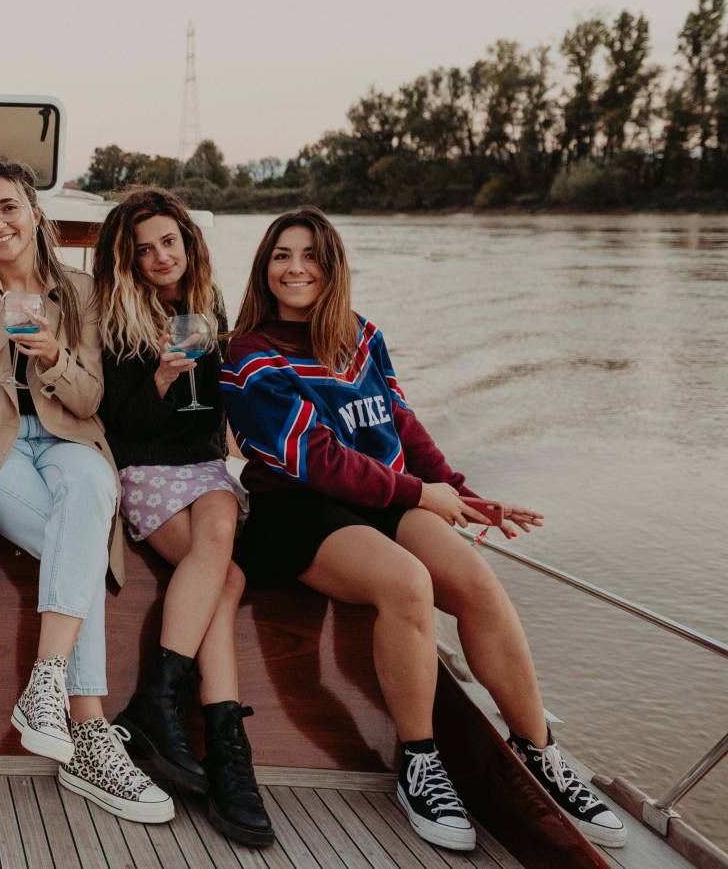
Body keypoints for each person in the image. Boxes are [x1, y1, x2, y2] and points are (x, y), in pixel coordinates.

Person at [219, 206, 626, 853]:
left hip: (379, 496)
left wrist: (462, 494)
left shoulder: (362, 335)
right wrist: (419, 494)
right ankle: (420, 764)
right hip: (297, 509)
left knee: (474, 581)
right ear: (264, 267)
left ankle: (539, 753)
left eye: (310, 255)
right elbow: (317, 461)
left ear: (333, 266)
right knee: (407, 583)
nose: (295, 269)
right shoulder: (248, 354)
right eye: (281, 256)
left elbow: (401, 426)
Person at [0, 160, 173, 824]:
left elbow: (91, 400)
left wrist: (54, 358)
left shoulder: (79, 292)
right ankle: (90, 733)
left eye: (8, 208)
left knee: (93, 485)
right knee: (79, 535)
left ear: (35, 214)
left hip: (66, 437)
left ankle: (45, 684)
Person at [93, 187, 274, 847]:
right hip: (145, 468)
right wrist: (163, 378)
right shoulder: (118, 318)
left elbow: (222, 411)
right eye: (145, 250)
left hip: (205, 467)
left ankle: (158, 701)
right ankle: (229, 753)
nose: (160, 257)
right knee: (228, 579)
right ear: (131, 261)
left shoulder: (209, 305)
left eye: (169, 242)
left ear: (188, 243)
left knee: (221, 531)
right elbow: (120, 424)